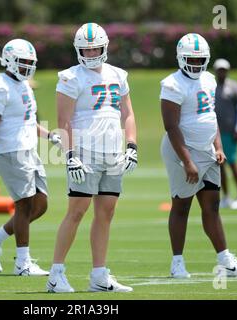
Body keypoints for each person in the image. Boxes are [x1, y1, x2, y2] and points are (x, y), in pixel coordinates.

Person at [46, 23, 138, 293]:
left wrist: (132, 145)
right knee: (76, 212)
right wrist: (70, 155)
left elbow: (128, 114)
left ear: (104, 46)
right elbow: (63, 121)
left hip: (112, 152)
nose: (90, 53)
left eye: (94, 48)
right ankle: (55, 274)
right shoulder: (70, 77)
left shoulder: (118, 75)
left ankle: (99, 275)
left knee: (106, 213)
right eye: (85, 50)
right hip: (85, 152)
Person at [159, 33, 237, 279]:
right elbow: (171, 126)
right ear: (181, 58)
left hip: (207, 149)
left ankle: (225, 260)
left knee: (212, 205)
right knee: (182, 205)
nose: (196, 63)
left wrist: (219, 147)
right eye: (191, 58)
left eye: (200, 59)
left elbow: (209, 118)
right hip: (182, 150)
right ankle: (177, 263)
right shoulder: (172, 84)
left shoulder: (209, 79)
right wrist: (188, 161)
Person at [0, 39, 61, 276]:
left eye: (30, 63)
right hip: (10, 150)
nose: (28, 68)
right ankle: (22, 263)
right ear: (10, 61)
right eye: (23, 63)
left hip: (29, 150)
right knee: (24, 204)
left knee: (41, 204)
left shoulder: (24, 85)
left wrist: (49, 135)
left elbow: (27, 121)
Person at [213, 59, 237, 209]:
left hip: (229, 133)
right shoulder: (211, 86)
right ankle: (226, 197)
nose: (222, 72)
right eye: (219, 70)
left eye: (224, 70)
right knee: (220, 166)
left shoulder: (234, 87)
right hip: (215, 134)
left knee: (233, 164)